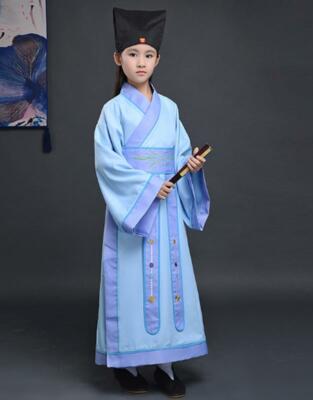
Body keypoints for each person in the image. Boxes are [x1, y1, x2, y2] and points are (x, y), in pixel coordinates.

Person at [93, 7, 211, 398]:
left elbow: (179, 154)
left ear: (157, 60)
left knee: (168, 281)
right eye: (132, 54)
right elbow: (107, 163)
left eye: (148, 55)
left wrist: (190, 165)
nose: (140, 62)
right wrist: (147, 186)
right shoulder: (112, 111)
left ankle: (165, 365)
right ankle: (127, 366)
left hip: (167, 212)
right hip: (135, 213)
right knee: (131, 283)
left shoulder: (170, 108)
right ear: (118, 58)